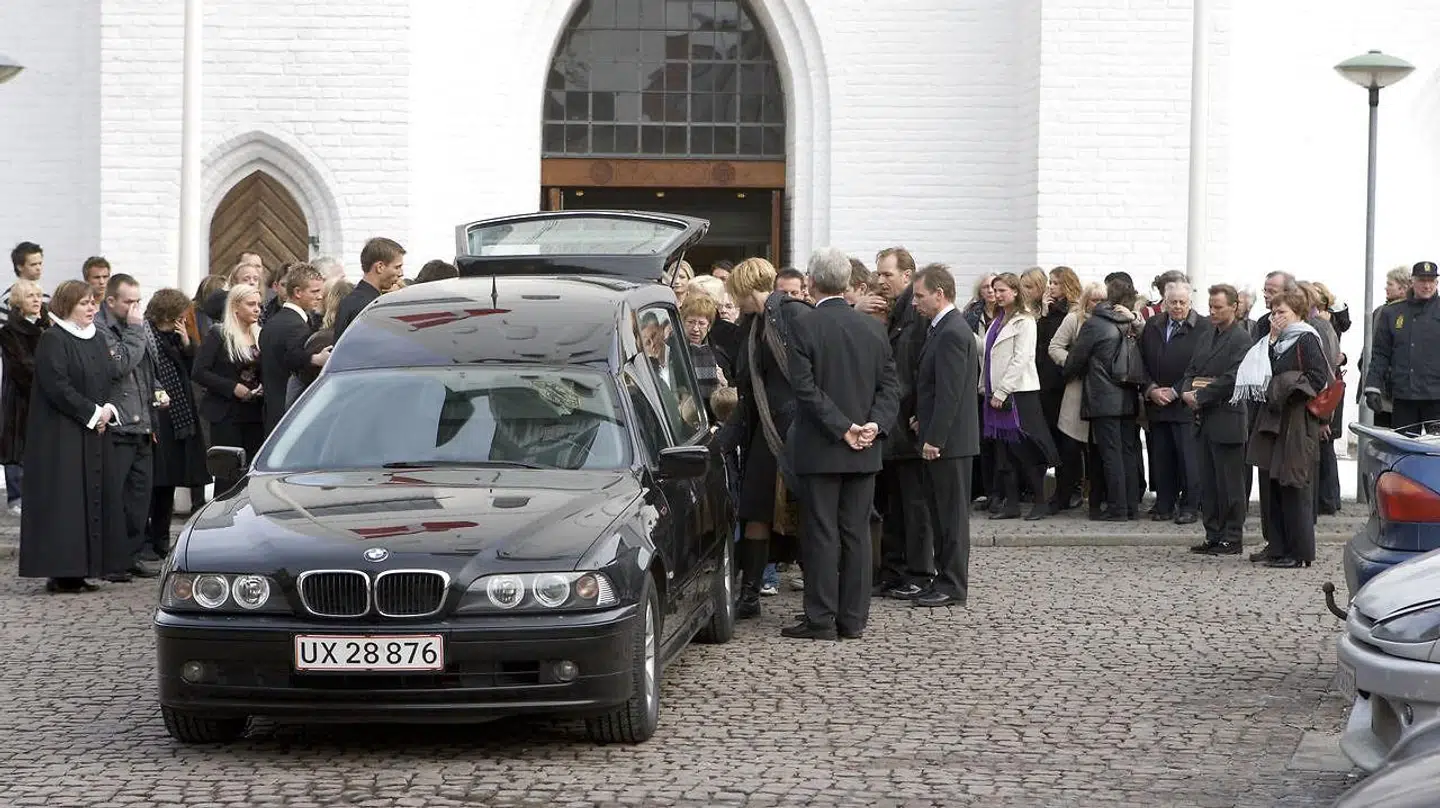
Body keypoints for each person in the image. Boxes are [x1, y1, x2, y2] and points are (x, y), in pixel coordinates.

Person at [783, 248, 899, 640]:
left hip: (823, 446)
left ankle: (820, 618)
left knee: (822, 533)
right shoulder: (873, 328)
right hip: (863, 447)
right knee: (855, 533)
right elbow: (890, 388)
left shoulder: (804, 325)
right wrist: (872, 425)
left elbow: (804, 389)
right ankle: (852, 619)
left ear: (812, 283)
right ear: (848, 284)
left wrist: (845, 427)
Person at [18, 280, 127, 593]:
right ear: (67, 307)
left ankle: (85, 569)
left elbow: (111, 377)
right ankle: (62, 572)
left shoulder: (96, 339)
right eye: (84, 303)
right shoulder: (53, 339)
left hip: (93, 430)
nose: (91, 308)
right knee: (66, 502)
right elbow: (58, 387)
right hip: (60, 435)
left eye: (93, 302)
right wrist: (93, 414)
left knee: (91, 497)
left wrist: (107, 409)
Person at [717, 257, 809, 619]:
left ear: (746, 289)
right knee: (756, 513)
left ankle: (813, 596)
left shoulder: (789, 316)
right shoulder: (753, 325)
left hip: (788, 431)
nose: (735, 302)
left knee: (799, 513)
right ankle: (750, 594)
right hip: (763, 431)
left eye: (736, 295)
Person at [1236, 289, 1332, 568]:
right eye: (1274, 313)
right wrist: (1273, 340)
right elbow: (1262, 370)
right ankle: (1277, 546)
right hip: (1272, 418)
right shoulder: (1273, 341)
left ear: (1298, 314)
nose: (1276, 318)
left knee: (1293, 481)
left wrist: (1289, 388)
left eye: (1283, 313)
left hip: (1296, 419)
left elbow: (1318, 379)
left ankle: (1298, 551)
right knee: (1271, 482)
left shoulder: (1306, 339)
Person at [910, 264, 980, 607]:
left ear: (940, 294)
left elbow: (951, 393)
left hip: (950, 444)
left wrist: (934, 438)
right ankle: (943, 577)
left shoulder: (952, 331)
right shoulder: (941, 328)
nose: (915, 303)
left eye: (920, 296)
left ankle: (953, 584)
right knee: (939, 514)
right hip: (943, 438)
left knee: (951, 518)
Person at [870, 247, 934, 600]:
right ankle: (893, 570)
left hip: (907, 425)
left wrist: (918, 413)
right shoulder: (894, 311)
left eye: (887, 275)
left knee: (914, 505)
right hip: (891, 425)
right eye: (878, 274)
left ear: (907, 275)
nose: (881, 281)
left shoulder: (916, 313)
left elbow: (919, 370)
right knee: (894, 504)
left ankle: (920, 573)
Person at [97, 273, 163, 582]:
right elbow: (119, 364)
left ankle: (132, 555)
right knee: (116, 497)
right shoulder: (102, 328)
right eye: (129, 301)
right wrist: (136, 330)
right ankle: (113, 560)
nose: (135, 308)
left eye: (139, 301)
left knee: (139, 498)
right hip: (119, 424)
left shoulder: (138, 327)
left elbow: (146, 368)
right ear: (111, 301)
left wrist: (157, 391)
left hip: (143, 422)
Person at [1063, 276, 1144, 521]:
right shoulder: (1130, 322)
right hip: (1128, 394)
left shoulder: (1096, 324)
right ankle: (1130, 506)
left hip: (1103, 397)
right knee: (1128, 452)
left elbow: (1075, 360)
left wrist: (1066, 372)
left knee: (1111, 454)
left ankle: (1118, 508)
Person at [1179, 284, 1253, 556]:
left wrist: (1201, 395)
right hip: (1203, 419)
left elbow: (1233, 378)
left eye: (1218, 307)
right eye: (1210, 306)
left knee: (1230, 483)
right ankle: (1212, 532)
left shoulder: (1241, 339)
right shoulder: (1206, 334)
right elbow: (1192, 368)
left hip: (1227, 417)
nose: (1212, 311)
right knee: (1208, 482)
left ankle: (1232, 535)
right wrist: (1187, 391)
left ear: (1234, 306)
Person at [980, 273, 1059, 521]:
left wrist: (1003, 391)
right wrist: (985, 386)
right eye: (995, 290)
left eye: (1003, 290)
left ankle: (1039, 500)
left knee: (1025, 449)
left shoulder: (1025, 321)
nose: (998, 295)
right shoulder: (997, 321)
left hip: (1018, 393)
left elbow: (1021, 358)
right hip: (994, 393)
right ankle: (1011, 503)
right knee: (1004, 452)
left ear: (1015, 292)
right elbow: (989, 355)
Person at [143, 288, 210, 559]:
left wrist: (186, 344)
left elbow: (191, 367)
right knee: (155, 483)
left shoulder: (173, 338)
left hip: (176, 417)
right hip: (158, 417)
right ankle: (148, 542)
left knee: (168, 482)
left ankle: (160, 540)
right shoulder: (147, 336)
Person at [1139, 282, 1203, 524]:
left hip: (1185, 404)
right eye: (1172, 302)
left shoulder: (1202, 328)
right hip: (1157, 402)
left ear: (1189, 303)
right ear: (1164, 303)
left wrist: (1177, 390)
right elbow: (1141, 360)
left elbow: (1200, 365)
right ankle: (1164, 504)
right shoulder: (1153, 326)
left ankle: (1189, 506)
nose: (1177, 306)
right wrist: (1150, 388)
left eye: (1182, 302)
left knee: (1188, 459)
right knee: (1161, 457)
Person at [192, 285, 266, 494]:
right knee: (228, 475)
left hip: (254, 413)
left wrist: (262, 387)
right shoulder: (219, 334)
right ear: (235, 306)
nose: (257, 309)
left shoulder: (260, 334)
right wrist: (232, 387)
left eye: (258, 305)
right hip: (226, 414)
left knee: (250, 473)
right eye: (250, 304)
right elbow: (199, 371)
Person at [1047, 282, 1105, 514]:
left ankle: (1096, 500)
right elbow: (1055, 346)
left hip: (1101, 391)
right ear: (1086, 301)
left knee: (1098, 451)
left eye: (1102, 300)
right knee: (1069, 448)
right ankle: (1063, 495)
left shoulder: (1111, 320)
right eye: (1094, 300)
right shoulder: (1074, 319)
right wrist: (1072, 361)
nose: (1098, 305)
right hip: (1076, 389)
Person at [1366, 261, 1440, 431]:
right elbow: (1381, 354)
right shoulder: (1392, 312)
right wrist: (1372, 386)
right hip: (1404, 396)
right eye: (1422, 280)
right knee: (1403, 450)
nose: (1427, 285)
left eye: (1432, 281)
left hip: (1436, 397)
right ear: (1412, 281)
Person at [259, 264, 330, 432]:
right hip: (288, 412)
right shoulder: (296, 326)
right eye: (314, 292)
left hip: (272, 411)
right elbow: (291, 358)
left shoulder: (272, 323)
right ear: (298, 292)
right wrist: (314, 359)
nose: (320, 297)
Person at [0, 279, 49, 515]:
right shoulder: (10, 332)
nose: (37, 300)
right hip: (20, 398)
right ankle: (16, 497)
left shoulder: (47, 328)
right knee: (17, 444)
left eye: (38, 295)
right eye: (30, 296)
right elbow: (21, 367)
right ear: (19, 301)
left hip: (45, 398)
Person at [333, 237, 405, 342]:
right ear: (380, 267)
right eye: (397, 267)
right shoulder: (370, 306)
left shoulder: (350, 300)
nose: (401, 273)